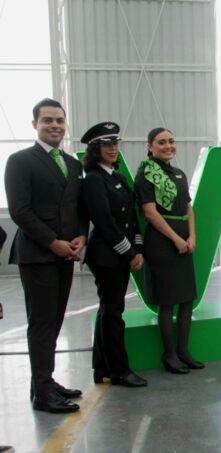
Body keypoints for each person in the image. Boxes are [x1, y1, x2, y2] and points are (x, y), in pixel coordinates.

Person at [4, 98, 87, 413]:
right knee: (41, 323)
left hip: (66, 254)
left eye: (59, 120)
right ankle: (42, 394)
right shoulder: (20, 161)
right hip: (38, 254)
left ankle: (44, 382)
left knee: (54, 321)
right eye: (47, 120)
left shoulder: (73, 164)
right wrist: (53, 242)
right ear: (34, 124)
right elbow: (20, 210)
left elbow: (78, 207)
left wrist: (81, 235)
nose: (55, 126)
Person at [81, 122, 148, 388]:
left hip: (119, 255)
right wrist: (130, 253)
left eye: (115, 144)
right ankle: (119, 371)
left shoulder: (117, 177)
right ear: (95, 149)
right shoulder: (94, 180)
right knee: (113, 314)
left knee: (107, 311)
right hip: (106, 256)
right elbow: (105, 223)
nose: (112, 149)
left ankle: (102, 367)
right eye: (106, 145)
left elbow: (132, 218)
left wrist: (138, 248)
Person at [134, 128, 203, 373]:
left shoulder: (179, 174)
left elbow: (188, 207)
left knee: (186, 298)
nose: (168, 146)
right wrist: (175, 239)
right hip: (162, 243)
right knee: (167, 301)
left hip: (184, 240)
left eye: (171, 141)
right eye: (161, 142)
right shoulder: (146, 175)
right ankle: (169, 354)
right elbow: (150, 213)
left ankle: (183, 350)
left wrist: (192, 236)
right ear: (150, 146)